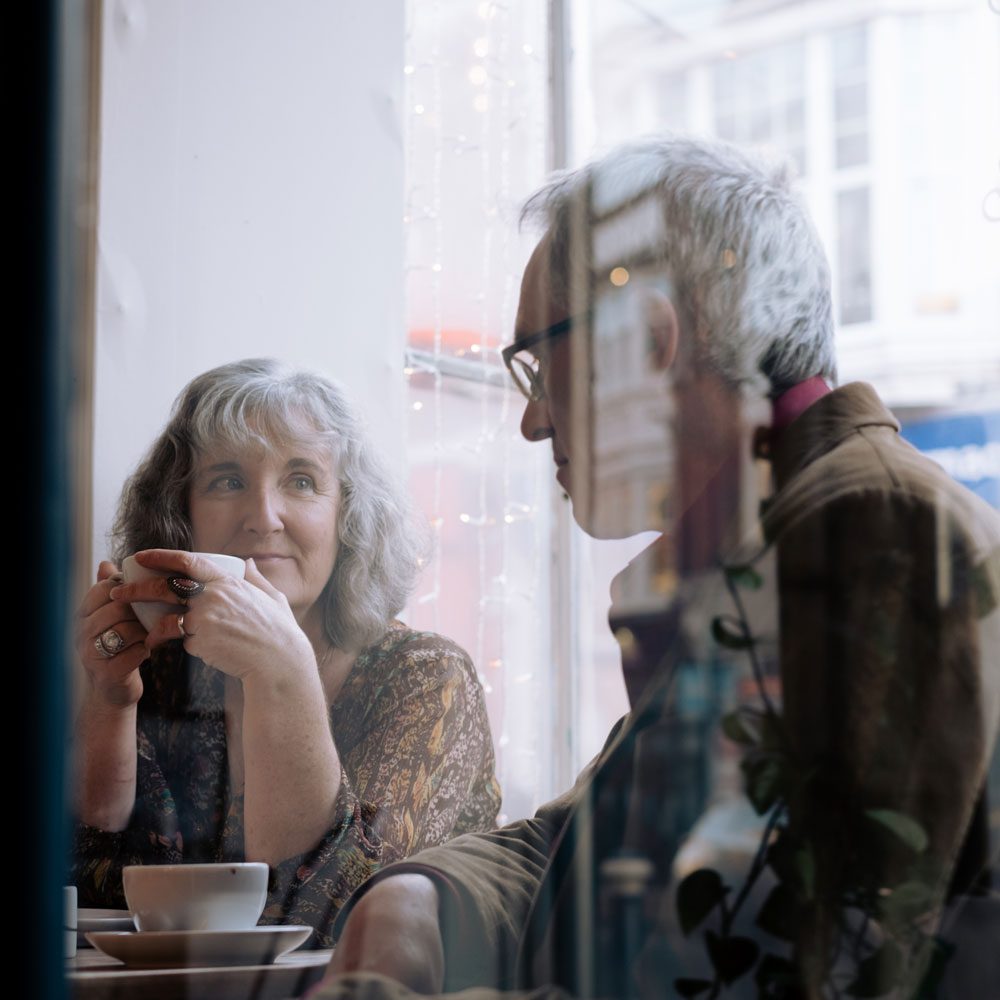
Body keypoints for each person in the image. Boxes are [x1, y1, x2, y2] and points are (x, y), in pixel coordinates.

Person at [312, 136, 1000, 998]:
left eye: (537, 362)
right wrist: (415, 898)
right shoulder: (775, 546)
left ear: (648, 339)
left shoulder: (867, 539)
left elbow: (757, 975)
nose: (531, 421)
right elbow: (584, 839)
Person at [72, 358, 501, 946]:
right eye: (226, 480)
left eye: (301, 481)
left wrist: (284, 669)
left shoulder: (426, 678)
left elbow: (332, 921)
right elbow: (91, 895)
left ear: (346, 514)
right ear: (180, 515)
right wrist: (110, 702)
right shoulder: (162, 676)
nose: (263, 518)